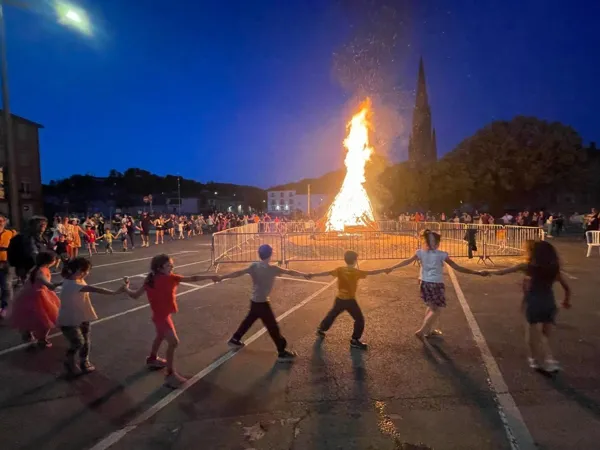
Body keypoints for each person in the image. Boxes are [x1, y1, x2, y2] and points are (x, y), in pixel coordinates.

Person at [122, 254, 218, 388]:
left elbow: (134, 295)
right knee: (173, 342)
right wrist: (211, 276)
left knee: (160, 336)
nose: (172, 266)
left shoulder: (152, 279)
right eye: (168, 265)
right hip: (161, 318)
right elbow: (193, 278)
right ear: (160, 268)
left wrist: (125, 288)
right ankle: (170, 374)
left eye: (171, 264)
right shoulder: (166, 279)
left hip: (160, 316)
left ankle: (152, 359)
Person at [387, 229, 489, 338]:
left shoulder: (420, 252)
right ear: (437, 243)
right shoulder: (442, 255)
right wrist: (476, 272)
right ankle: (422, 331)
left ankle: (427, 330)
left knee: (431, 306)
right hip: (436, 284)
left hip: (424, 283)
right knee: (437, 309)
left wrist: (392, 267)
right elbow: (457, 267)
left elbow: (406, 261)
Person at [217, 244, 308, 362]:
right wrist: (304, 274)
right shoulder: (273, 269)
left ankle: (235, 339)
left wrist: (222, 277)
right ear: (270, 255)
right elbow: (290, 272)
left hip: (255, 300)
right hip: (262, 303)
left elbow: (238, 273)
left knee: (249, 320)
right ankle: (282, 352)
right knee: (272, 327)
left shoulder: (254, 266)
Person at [490, 241, 571, 372]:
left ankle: (534, 359)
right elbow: (566, 288)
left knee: (532, 332)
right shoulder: (553, 268)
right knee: (545, 334)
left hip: (533, 302)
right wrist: (566, 301)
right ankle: (549, 359)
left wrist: (485, 272)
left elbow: (503, 271)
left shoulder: (528, 266)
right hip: (549, 302)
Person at [307, 250, 392, 350]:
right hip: (350, 301)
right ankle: (354, 340)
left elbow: (326, 273)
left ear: (346, 260)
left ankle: (321, 329)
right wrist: (385, 270)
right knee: (359, 319)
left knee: (332, 314)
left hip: (339, 299)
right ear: (355, 260)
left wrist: (312, 274)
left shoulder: (340, 270)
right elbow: (372, 272)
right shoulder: (357, 272)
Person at [58, 257, 126, 376]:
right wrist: (115, 292)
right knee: (78, 342)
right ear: (80, 270)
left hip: (83, 315)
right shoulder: (73, 284)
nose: (88, 273)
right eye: (87, 270)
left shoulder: (74, 280)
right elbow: (96, 289)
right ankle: (69, 361)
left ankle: (84, 361)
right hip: (69, 318)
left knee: (86, 341)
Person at [10, 251, 61, 349]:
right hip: (38, 296)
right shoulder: (40, 271)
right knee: (45, 319)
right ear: (50, 261)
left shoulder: (38, 268)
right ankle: (41, 339)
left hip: (31, 293)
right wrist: (66, 283)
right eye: (54, 260)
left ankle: (27, 333)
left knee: (31, 317)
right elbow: (49, 285)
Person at [0, 213, 16, 319]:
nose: (0, 223)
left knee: (7, 287)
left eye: (1, 221)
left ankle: (5, 308)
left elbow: (18, 245)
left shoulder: (11, 233)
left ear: (5, 222)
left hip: (7, 263)